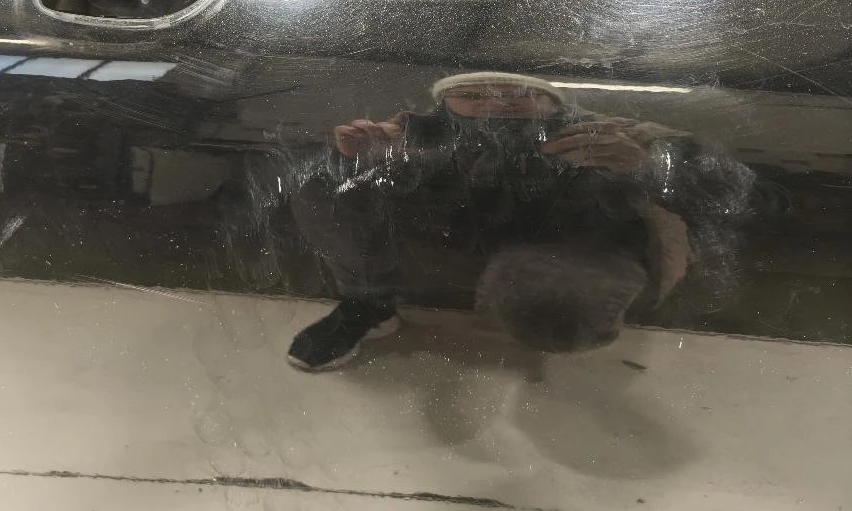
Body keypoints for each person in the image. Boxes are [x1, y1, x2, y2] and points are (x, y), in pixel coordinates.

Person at [286, 72, 751, 372]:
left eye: (522, 92)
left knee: (559, 302)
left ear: (555, 103)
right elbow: (312, 189)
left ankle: (559, 312)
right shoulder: (405, 137)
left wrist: (650, 166)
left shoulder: (613, 134)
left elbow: (750, 194)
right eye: (474, 94)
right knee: (319, 185)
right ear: (445, 104)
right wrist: (349, 161)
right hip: (436, 252)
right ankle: (367, 305)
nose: (500, 102)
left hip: (559, 256)